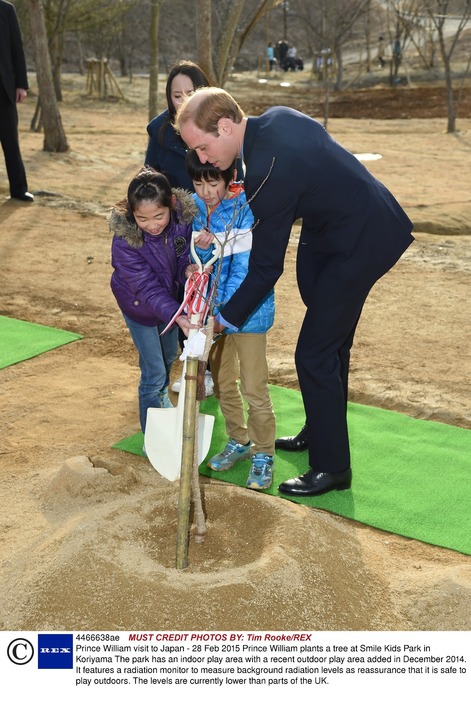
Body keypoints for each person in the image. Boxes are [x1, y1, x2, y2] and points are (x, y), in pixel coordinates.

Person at [175, 87, 414, 498]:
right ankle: (321, 431)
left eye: (202, 146)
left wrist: (221, 320)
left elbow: (267, 267)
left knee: (314, 353)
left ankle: (332, 467)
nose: (201, 159)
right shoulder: (275, 119)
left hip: (362, 240)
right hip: (345, 228)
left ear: (227, 127)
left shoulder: (268, 173)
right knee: (331, 346)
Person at [187, 149, 276, 490]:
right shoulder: (195, 209)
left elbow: (244, 269)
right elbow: (202, 259)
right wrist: (198, 260)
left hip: (247, 314)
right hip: (212, 314)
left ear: (228, 179)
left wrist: (224, 316)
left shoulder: (244, 208)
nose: (206, 192)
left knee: (254, 387)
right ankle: (239, 440)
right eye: (198, 184)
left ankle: (264, 452)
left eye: (213, 183)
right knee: (223, 383)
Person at [108, 166, 201, 435]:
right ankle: (153, 435)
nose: (152, 225)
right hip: (140, 308)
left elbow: (183, 252)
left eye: (159, 216)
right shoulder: (125, 242)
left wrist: (187, 269)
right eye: (143, 219)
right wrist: (179, 316)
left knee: (169, 354)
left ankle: (159, 398)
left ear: (171, 204)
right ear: (131, 214)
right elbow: (147, 289)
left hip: (168, 306)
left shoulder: (182, 220)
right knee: (154, 373)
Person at [0, 0, 34, 202]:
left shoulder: (6, 10)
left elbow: (17, 48)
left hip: (4, 90)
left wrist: (21, 84)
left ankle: (19, 190)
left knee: (10, 141)